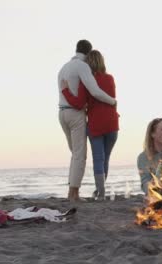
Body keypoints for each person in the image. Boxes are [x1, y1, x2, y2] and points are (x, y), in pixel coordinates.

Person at [57, 39, 117, 202]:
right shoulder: (83, 67)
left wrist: (64, 91)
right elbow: (95, 91)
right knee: (79, 155)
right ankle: (74, 194)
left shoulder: (63, 67)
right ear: (88, 53)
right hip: (75, 113)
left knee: (75, 153)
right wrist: (112, 101)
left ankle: (73, 191)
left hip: (62, 113)